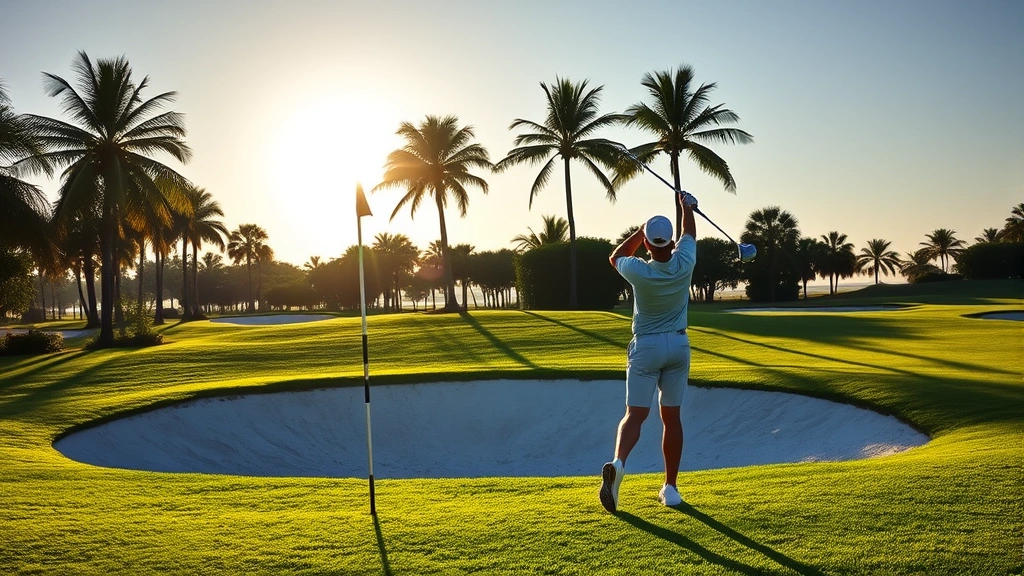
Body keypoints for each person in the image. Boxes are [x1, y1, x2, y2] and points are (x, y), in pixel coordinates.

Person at [600, 190, 698, 512]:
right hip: (678, 345)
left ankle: (618, 463)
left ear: (648, 245)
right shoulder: (685, 262)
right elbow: (689, 233)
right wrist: (687, 207)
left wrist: (640, 233)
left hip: (646, 347)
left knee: (635, 415)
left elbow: (615, 256)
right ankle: (670, 489)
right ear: (670, 243)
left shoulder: (639, 270)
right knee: (671, 417)